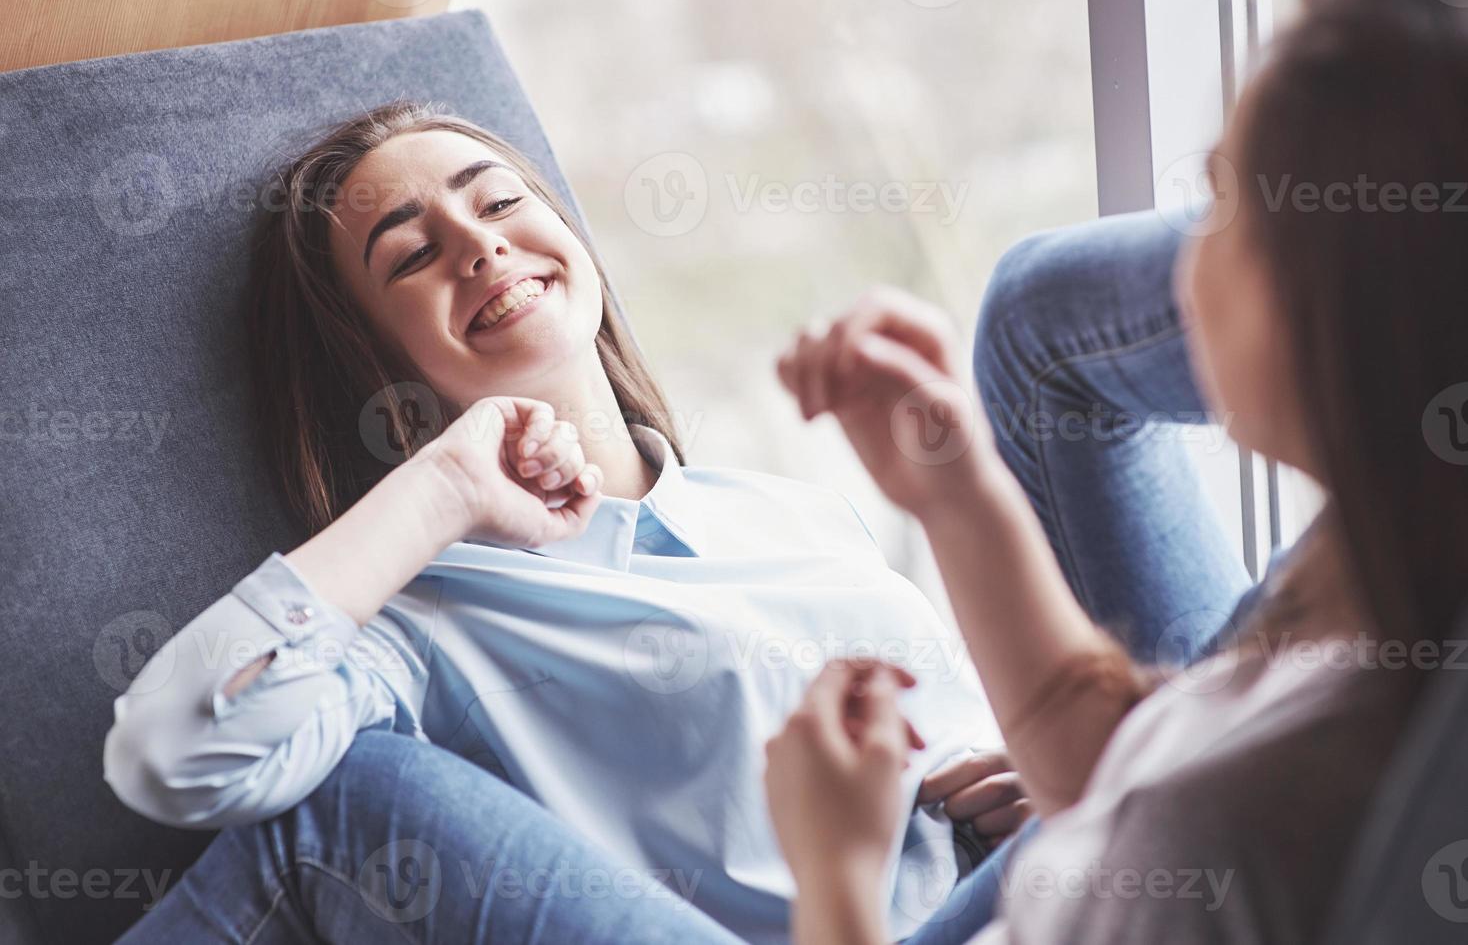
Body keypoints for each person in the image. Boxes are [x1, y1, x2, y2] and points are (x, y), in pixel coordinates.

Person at [103, 103, 1034, 944]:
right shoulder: (422, 627)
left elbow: (956, 749)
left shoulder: (793, 512)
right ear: (381, 393)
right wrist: (439, 489)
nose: (479, 245)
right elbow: (172, 757)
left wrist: (1017, 793)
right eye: (412, 256)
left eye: (499, 202)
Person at [765, 0, 1468, 942]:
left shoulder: (1221, 845)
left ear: (1329, 307)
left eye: (1221, 203)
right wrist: (956, 491)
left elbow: (1163, 818)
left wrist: (832, 869)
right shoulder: (1379, 561)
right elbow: (1123, 766)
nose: (1180, 255)